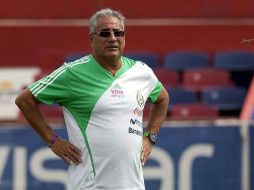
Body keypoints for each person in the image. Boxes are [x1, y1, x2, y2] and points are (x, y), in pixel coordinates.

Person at [15, 8, 169, 190]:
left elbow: (162, 99)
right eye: (105, 33)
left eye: (118, 33)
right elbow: (24, 100)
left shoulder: (141, 72)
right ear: (91, 39)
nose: (112, 38)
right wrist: (53, 140)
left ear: (124, 38)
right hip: (90, 186)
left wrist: (150, 137)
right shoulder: (72, 73)